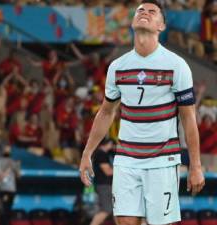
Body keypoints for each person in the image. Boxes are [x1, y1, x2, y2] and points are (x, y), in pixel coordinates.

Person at [79, 1, 205, 225]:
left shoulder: (177, 65)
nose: (144, 13)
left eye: (152, 11)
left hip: (163, 160)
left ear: (162, 26)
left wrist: (195, 166)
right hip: (126, 159)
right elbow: (106, 112)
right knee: (125, 221)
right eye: (140, 10)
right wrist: (87, 153)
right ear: (132, 21)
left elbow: (188, 118)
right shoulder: (117, 67)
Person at [90, 138, 114, 225]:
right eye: (111, 143)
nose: (112, 146)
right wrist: (122, 170)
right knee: (106, 209)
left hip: (103, 185)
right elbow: (107, 171)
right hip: (104, 185)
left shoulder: (100, 154)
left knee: (115, 209)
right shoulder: (101, 154)